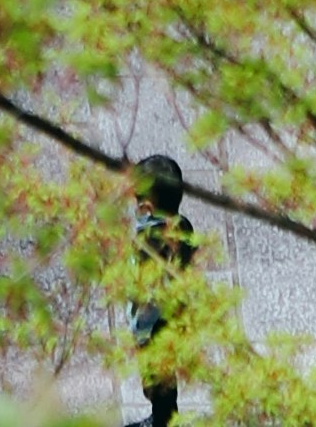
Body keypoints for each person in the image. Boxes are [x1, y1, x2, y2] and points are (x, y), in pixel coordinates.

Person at [127, 155, 191, 427]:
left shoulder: (147, 242)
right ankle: (165, 417)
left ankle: (163, 422)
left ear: (147, 206)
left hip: (152, 324)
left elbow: (144, 292)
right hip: (175, 315)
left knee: (156, 381)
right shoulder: (183, 227)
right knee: (166, 377)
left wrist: (140, 337)